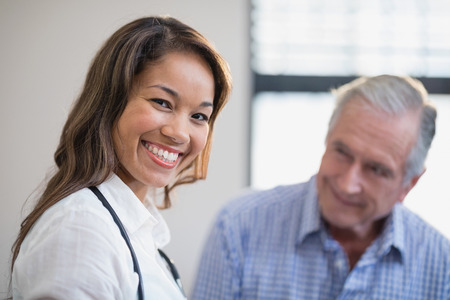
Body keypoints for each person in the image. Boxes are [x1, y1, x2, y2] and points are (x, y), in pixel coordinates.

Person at [10, 16, 232, 299]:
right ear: (110, 101)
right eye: (162, 102)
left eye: (199, 116)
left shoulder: (136, 230)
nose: (180, 133)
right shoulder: (80, 229)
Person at [192, 75, 450, 299]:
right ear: (327, 140)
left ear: (409, 184)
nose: (348, 184)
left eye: (376, 169)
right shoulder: (239, 226)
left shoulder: (441, 264)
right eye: (342, 152)